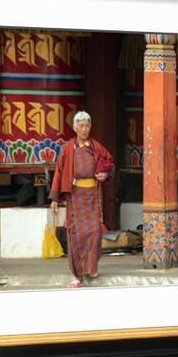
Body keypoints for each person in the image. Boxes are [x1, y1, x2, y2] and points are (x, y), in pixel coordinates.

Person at [49, 111, 114, 288]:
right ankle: (77, 275)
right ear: (75, 127)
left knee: (94, 232)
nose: (84, 129)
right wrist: (55, 198)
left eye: (87, 125)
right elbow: (59, 172)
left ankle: (91, 267)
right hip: (75, 196)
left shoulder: (95, 146)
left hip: (92, 196)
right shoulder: (69, 148)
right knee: (76, 235)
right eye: (81, 125)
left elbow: (108, 162)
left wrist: (104, 174)